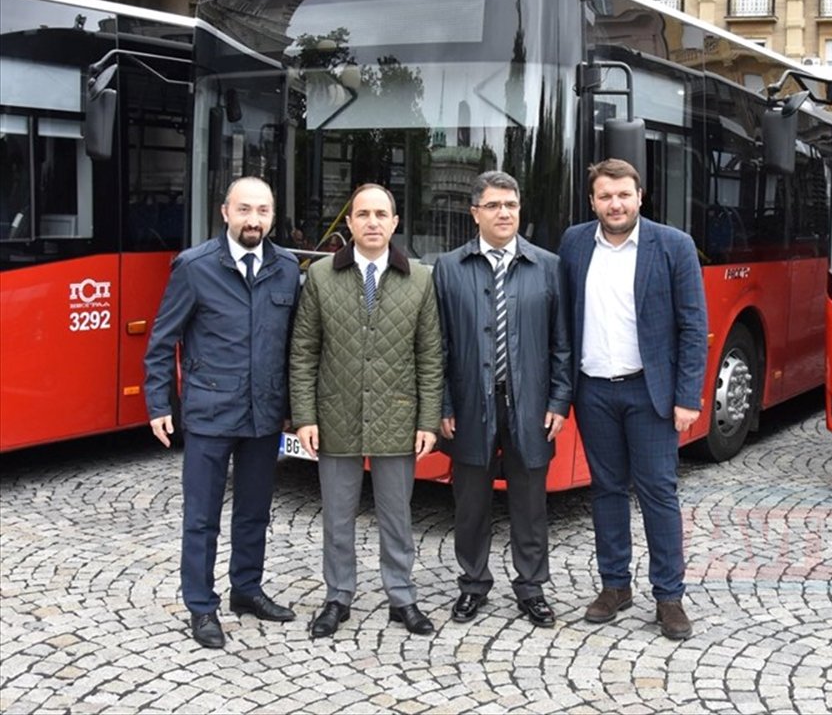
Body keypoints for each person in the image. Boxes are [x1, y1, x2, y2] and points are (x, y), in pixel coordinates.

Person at [143, 176, 301, 649]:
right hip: (210, 411)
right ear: (225, 212)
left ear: (273, 217)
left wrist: (294, 408)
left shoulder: (287, 268)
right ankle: (201, 605)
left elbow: (295, 345)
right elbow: (160, 341)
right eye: (245, 210)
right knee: (202, 516)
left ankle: (247, 590)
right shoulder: (194, 267)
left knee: (254, 512)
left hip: (264, 413)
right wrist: (157, 404)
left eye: (263, 211)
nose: (254, 220)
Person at [558, 158, 708, 640]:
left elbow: (692, 326)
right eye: (605, 196)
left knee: (658, 493)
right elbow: (564, 320)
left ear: (640, 196)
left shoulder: (673, 246)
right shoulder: (575, 243)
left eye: (623, 194)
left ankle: (669, 597)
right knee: (605, 490)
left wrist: (688, 397)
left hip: (650, 392)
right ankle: (615, 586)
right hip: (594, 388)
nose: (615, 204)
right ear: (593, 202)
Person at [289, 183, 443, 639]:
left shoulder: (420, 278)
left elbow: (430, 356)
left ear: (395, 223)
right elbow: (303, 351)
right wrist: (305, 416)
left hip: (398, 415)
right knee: (337, 515)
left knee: (397, 514)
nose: (373, 222)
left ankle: (402, 596)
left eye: (381, 214)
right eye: (363, 214)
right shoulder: (319, 276)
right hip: (335, 415)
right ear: (350, 223)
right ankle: (338, 596)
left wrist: (428, 421)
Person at [433, 171, 572, 628]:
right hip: (472, 404)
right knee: (470, 503)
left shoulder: (547, 266)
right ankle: (473, 584)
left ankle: (531, 588)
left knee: (530, 504)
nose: (504, 213)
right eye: (493, 205)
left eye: (510, 204)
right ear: (475, 213)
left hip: (529, 405)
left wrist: (558, 400)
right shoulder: (449, 268)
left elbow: (562, 343)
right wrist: (445, 405)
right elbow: (439, 346)